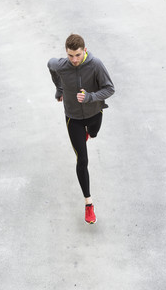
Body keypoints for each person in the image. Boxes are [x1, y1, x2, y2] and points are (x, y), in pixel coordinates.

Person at [47, 34, 115, 224]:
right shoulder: (60, 65)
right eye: (70, 56)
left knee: (93, 133)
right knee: (82, 159)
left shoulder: (96, 65)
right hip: (73, 117)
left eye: (77, 55)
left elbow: (110, 89)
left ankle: (89, 134)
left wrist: (90, 97)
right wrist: (59, 89)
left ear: (84, 50)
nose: (74, 60)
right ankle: (88, 203)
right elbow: (50, 66)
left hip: (94, 112)